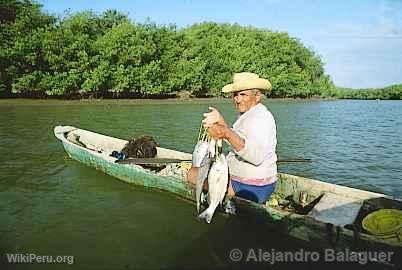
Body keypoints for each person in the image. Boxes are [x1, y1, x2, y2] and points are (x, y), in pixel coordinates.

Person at [187, 72, 278, 204]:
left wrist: (226, 132)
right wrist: (220, 121)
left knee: (192, 174)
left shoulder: (260, 118)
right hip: (255, 183)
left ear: (257, 96)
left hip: (252, 187)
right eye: (235, 95)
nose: (237, 99)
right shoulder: (251, 114)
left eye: (243, 95)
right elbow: (237, 140)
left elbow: (256, 156)